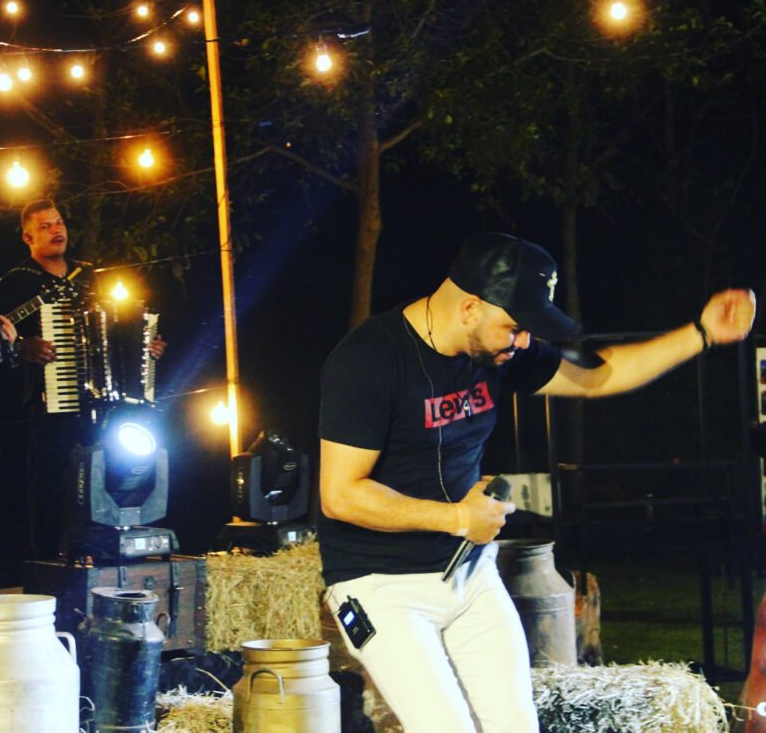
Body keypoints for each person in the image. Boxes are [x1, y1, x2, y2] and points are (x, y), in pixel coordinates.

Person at [317, 232, 756, 733]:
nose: (524, 341)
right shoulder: (368, 361)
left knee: (516, 725)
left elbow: (600, 376)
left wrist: (702, 332)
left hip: (468, 571)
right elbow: (341, 494)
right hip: (380, 585)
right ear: (469, 308)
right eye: (515, 327)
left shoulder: (496, 351)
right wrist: (457, 517)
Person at [0, 198, 167, 564]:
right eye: (45, 226)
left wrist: (146, 347)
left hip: (105, 403)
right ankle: (50, 564)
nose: (56, 230)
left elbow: (119, 322)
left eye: (58, 223)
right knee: (51, 486)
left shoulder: (89, 275)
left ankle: (102, 556)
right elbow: (3, 339)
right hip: (49, 403)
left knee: (106, 479)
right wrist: (23, 346)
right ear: (27, 237)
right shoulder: (15, 284)